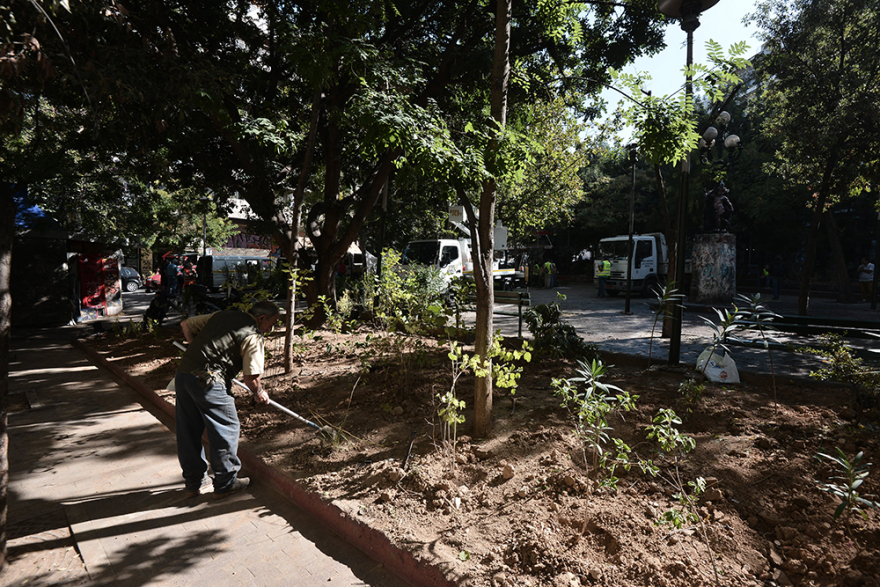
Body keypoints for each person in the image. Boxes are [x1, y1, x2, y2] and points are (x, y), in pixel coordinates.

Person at [174, 300, 282, 499]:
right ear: (261, 318)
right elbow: (251, 378)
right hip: (208, 382)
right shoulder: (253, 335)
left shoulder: (223, 315)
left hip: (183, 375)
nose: (272, 328)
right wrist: (259, 392)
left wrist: (197, 351)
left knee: (188, 429)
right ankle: (226, 482)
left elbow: (186, 325)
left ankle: (193, 483)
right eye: (272, 323)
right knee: (226, 427)